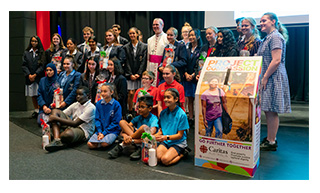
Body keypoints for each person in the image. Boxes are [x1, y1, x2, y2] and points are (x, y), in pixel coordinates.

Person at [257, 12, 291, 151]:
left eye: (264, 21)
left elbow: (276, 60)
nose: (261, 23)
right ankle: (271, 137)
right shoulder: (268, 38)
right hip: (269, 76)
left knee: (271, 110)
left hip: (273, 77)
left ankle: (271, 141)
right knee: (268, 109)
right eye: (260, 21)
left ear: (273, 21)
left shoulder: (276, 37)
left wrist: (265, 77)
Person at [45, 86, 96, 152]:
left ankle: (58, 134)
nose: (77, 96)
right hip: (72, 125)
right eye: (77, 94)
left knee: (66, 134)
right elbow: (62, 114)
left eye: (80, 94)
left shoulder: (91, 108)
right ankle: (57, 139)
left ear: (87, 95)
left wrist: (55, 118)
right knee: (55, 111)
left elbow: (75, 124)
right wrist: (55, 117)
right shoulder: (76, 104)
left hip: (83, 130)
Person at [108, 95, 159, 159]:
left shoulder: (154, 118)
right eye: (139, 107)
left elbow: (151, 133)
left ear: (150, 108)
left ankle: (122, 145)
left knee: (144, 127)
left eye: (142, 107)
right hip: (137, 137)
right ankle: (136, 145)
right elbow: (124, 130)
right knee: (122, 122)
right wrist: (125, 136)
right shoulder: (138, 117)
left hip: (146, 139)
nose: (140, 109)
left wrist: (129, 137)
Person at [155, 88, 189, 166]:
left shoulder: (182, 114)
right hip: (166, 141)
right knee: (157, 158)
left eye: (168, 97)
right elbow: (161, 130)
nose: (165, 100)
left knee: (165, 160)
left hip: (178, 142)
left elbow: (179, 135)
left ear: (176, 99)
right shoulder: (163, 113)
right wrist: (152, 136)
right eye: (164, 97)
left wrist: (165, 137)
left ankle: (182, 154)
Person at [87, 83, 122, 149]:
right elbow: (97, 119)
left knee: (104, 144)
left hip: (112, 130)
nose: (102, 93)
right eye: (101, 91)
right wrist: (100, 132)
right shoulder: (98, 104)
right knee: (89, 144)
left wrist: (104, 133)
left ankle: (103, 143)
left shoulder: (116, 104)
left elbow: (116, 122)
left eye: (105, 91)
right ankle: (101, 143)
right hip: (101, 130)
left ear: (111, 92)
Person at [123, 27, 148, 115]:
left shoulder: (144, 46)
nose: (132, 35)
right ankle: (130, 111)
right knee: (131, 93)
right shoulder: (126, 47)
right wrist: (130, 74)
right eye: (130, 33)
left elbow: (144, 61)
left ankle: (139, 111)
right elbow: (126, 62)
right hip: (130, 74)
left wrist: (139, 73)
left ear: (137, 34)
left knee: (140, 93)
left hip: (139, 74)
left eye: (134, 33)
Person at [22, 35, 45, 118]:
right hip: (30, 78)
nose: (34, 43)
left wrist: (35, 74)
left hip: (38, 77)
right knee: (33, 95)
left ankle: (41, 110)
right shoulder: (26, 52)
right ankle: (36, 110)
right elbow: (24, 65)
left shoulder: (42, 52)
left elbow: (42, 65)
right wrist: (29, 75)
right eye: (32, 41)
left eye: (35, 41)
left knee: (39, 94)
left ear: (38, 42)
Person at [184, 29, 203, 125]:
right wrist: (186, 73)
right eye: (190, 35)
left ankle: (198, 119)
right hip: (187, 77)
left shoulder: (202, 49)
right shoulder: (186, 48)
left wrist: (193, 74)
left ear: (198, 37)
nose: (191, 37)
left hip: (196, 77)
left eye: (193, 35)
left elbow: (200, 64)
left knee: (198, 99)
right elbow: (183, 62)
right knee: (189, 99)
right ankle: (191, 118)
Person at [147, 18, 169, 86]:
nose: (155, 26)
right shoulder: (149, 39)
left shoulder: (167, 38)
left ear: (162, 25)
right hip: (151, 66)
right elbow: (148, 57)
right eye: (153, 25)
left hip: (161, 66)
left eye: (157, 24)